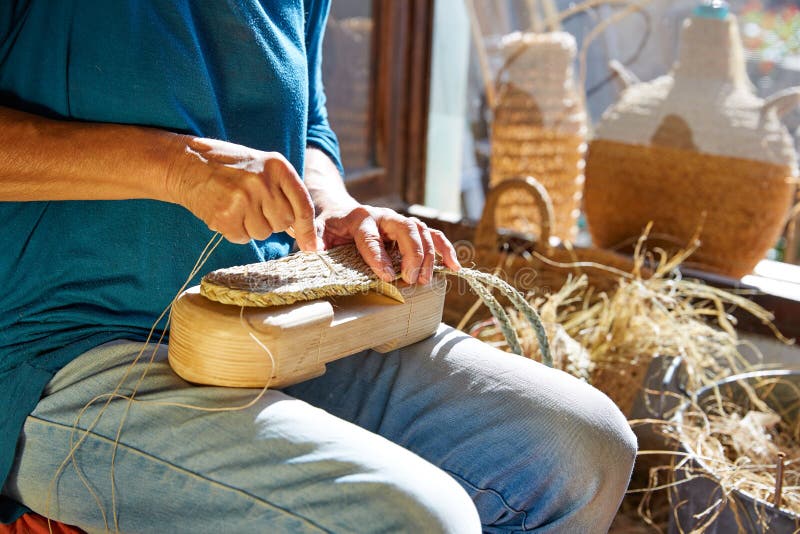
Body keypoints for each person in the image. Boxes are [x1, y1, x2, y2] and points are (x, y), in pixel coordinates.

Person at [0, 1, 636, 532]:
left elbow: (307, 128)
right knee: (419, 520)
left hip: (274, 318)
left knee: (582, 448)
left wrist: (334, 211)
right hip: (60, 348)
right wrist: (178, 167)